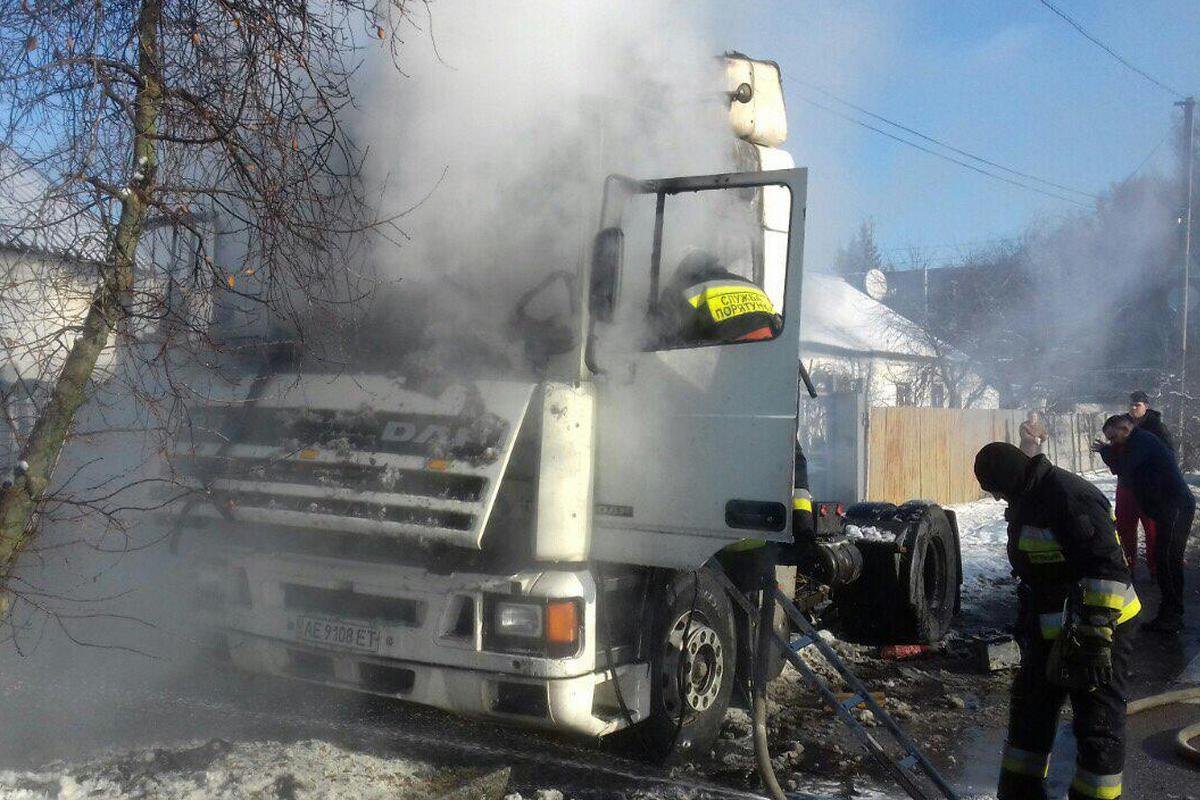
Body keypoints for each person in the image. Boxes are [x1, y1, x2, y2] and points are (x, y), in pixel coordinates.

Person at [974, 442, 1139, 800]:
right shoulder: (1028, 497)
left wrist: (1095, 637)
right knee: (1030, 710)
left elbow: (1107, 568)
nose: (998, 498)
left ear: (1008, 478)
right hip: (1054, 631)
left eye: (996, 489)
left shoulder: (1068, 496)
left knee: (1096, 722)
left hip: (1101, 629)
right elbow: (1041, 574)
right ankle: (1020, 792)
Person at [1097, 414, 1195, 633]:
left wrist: (1105, 452)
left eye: (1113, 438)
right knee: (1165, 560)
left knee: (1168, 561)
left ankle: (1172, 616)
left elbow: (1122, 468)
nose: (1113, 443)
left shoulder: (1141, 442)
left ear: (1125, 429)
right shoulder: (1137, 442)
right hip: (1169, 507)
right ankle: (1170, 613)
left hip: (1175, 507)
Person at [656, 251, 781, 346]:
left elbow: (661, 339)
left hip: (733, 362)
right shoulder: (752, 286)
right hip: (769, 356)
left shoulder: (684, 292)